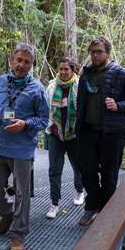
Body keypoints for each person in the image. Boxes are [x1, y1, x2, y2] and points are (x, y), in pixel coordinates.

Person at [0, 43, 49, 250]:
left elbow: (44, 120)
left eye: (26, 62)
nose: (21, 65)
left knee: (22, 193)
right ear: (12, 60)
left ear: (31, 66)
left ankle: (18, 235)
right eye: (19, 60)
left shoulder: (37, 89)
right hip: (0, 145)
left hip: (22, 148)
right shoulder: (1, 82)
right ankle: (7, 214)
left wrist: (25, 124)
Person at [75, 37, 125, 226]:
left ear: (108, 53)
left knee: (109, 175)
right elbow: (81, 103)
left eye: (99, 51)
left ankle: (104, 215)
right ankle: (92, 206)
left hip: (112, 133)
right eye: (92, 52)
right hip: (87, 132)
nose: (95, 55)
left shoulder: (121, 73)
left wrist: (119, 105)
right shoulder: (86, 74)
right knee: (87, 172)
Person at [45, 57, 84, 219]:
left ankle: (80, 191)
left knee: (78, 166)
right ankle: (54, 203)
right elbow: (46, 109)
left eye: (66, 69)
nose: (62, 72)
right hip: (55, 134)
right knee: (54, 170)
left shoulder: (80, 87)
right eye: (60, 69)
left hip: (74, 135)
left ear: (73, 70)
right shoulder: (52, 87)